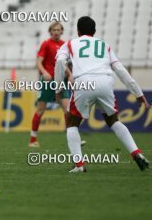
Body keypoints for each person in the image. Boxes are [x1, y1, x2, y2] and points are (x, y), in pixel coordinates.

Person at [55, 16, 150, 173]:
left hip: (83, 82)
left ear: (78, 31)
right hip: (105, 81)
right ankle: (136, 153)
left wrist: (58, 89)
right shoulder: (104, 45)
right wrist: (138, 93)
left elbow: (59, 62)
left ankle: (79, 165)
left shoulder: (70, 44)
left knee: (72, 123)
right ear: (95, 31)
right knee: (113, 121)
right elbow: (120, 69)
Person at [29, 22, 72, 147]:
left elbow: (63, 65)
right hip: (48, 81)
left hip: (61, 81)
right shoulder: (46, 44)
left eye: (58, 30)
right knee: (41, 109)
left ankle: (72, 139)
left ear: (62, 31)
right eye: (54, 30)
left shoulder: (64, 45)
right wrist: (44, 73)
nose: (56, 32)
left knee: (67, 109)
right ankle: (33, 139)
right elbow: (39, 62)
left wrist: (70, 74)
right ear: (50, 31)